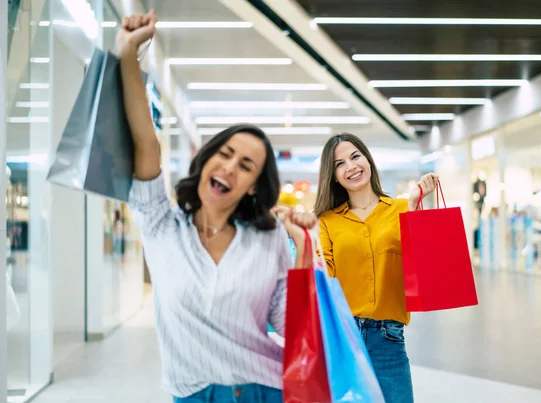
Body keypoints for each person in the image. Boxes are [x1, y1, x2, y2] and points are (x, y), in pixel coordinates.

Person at [117, 10, 317, 403]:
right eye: (225, 153)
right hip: (192, 393)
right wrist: (127, 55)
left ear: (253, 187)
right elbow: (147, 143)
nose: (229, 167)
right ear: (207, 158)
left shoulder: (269, 238)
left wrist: (303, 248)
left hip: (266, 390)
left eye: (246, 166)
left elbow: (290, 325)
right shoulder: (161, 224)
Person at [314, 133, 438, 403]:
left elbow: (421, 262)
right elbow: (326, 278)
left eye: (355, 156)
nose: (351, 166)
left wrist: (417, 205)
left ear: (368, 161)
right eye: (340, 163)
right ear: (334, 176)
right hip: (343, 338)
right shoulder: (326, 222)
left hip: (388, 338)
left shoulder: (401, 208)